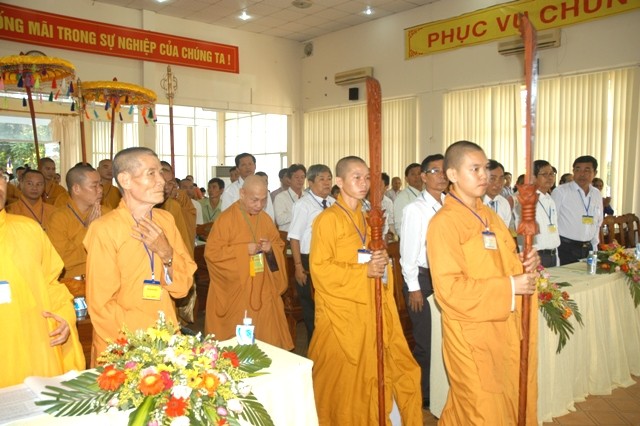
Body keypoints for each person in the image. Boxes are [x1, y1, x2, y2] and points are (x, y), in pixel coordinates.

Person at [426, 140, 539, 425]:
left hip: (502, 328)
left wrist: (526, 265)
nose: (483, 176)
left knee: (502, 402)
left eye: (485, 168)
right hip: (471, 333)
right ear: (452, 175)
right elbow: (449, 290)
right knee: (480, 408)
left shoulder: (489, 215)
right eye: (474, 169)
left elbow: (506, 263)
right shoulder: (444, 223)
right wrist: (512, 286)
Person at [309, 156, 422, 425]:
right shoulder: (327, 220)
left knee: (387, 365)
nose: (364, 183)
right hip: (342, 313)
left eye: (367, 177)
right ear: (339, 182)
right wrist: (364, 271)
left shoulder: (367, 218)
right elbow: (320, 270)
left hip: (371, 305)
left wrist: (382, 265)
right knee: (343, 377)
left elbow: (374, 259)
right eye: (356, 177)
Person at [83, 147, 196, 365]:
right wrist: (140, 343)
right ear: (125, 180)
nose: (161, 181)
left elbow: (182, 287)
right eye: (151, 173)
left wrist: (166, 254)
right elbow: (101, 304)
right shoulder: (104, 229)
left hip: (165, 336)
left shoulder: (166, 221)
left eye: (161, 173)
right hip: (124, 344)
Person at [0, 176, 85, 387]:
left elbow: (51, 282)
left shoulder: (28, 229)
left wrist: (64, 318)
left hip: (34, 341)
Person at [204, 175, 293, 350]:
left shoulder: (265, 219)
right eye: (254, 200)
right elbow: (212, 254)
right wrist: (244, 250)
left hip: (263, 286)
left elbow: (277, 244)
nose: (259, 205)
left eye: (263, 200)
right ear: (242, 193)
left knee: (268, 340)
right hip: (237, 289)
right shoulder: (226, 219)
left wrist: (270, 249)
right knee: (237, 348)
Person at [399, 153, 447, 409]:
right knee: (426, 339)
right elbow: (407, 255)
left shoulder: (451, 204)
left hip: (446, 276)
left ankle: (442, 385)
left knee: (445, 337)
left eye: (444, 171)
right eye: (435, 171)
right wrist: (414, 289)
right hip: (422, 278)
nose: (441, 176)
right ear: (424, 176)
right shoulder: (415, 209)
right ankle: (424, 392)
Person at [287, 164, 334, 341]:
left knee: (328, 305)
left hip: (330, 260)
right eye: (321, 179)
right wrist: (298, 266)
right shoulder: (303, 205)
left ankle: (329, 346)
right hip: (308, 260)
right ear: (311, 182)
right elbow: (294, 237)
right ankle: (314, 346)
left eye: (329, 178)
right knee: (311, 306)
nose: (326, 183)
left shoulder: (333, 203)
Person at [47, 164, 105, 283]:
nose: (100, 190)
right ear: (76, 189)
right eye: (94, 186)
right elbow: (61, 260)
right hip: (71, 283)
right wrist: (88, 230)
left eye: (100, 185)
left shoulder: (108, 214)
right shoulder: (58, 218)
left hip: (104, 279)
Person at [552, 155, 603, 265]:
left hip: (588, 248)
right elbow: (552, 221)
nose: (582, 174)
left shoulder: (596, 194)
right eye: (578, 169)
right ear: (573, 171)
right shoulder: (561, 192)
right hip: (566, 248)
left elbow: (597, 223)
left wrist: (594, 249)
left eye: (587, 170)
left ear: (595, 173)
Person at [514, 160, 560, 268]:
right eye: (545, 174)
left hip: (552, 254)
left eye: (552, 174)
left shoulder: (550, 199)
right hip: (536, 256)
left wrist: (556, 257)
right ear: (533, 177)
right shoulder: (525, 198)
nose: (550, 177)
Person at [220, 153, 275, 220]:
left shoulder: (263, 188)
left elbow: (270, 214)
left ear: (255, 166)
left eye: (250, 164)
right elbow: (226, 216)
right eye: (243, 165)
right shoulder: (230, 191)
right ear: (237, 169)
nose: (248, 167)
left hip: (261, 228)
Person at [274, 164, 306, 232]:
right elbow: (279, 220)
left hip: (306, 236)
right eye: (296, 177)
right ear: (289, 179)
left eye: (302, 177)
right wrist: (299, 213)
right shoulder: (280, 197)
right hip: (287, 238)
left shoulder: (308, 196)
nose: (300, 180)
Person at [393, 162, 422, 238]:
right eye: (413, 174)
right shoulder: (402, 197)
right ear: (406, 179)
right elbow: (399, 226)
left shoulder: (426, 194)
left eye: (419, 173)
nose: (417, 177)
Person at [483, 160, 513, 228]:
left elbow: (505, 230)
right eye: (492, 179)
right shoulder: (474, 203)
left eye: (501, 178)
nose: (498, 183)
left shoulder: (504, 203)